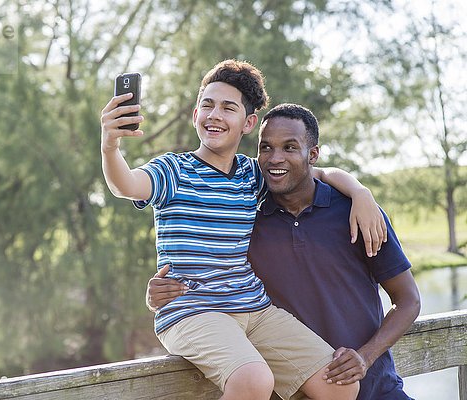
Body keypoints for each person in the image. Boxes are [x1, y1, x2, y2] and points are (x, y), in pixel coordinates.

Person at [101, 59, 374, 400]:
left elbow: (319, 173)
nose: (214, 115)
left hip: (254, 309)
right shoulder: (172, 170)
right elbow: (124, 184)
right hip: (193, 310)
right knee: (254, 380)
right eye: (207, 105)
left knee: (342, 384)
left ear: (248, 123)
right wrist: (110, 145)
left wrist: (361, 193)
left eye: (228, 108)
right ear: (195, 115)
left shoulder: (253, 174)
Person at [146, 103, 421, 400]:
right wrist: (161, 292)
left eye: (290, 148)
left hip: (378, 391)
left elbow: (408, 300)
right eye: (266, 148)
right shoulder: (248, 222)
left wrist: (365, 357)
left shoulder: (357, 213)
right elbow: (211, 279)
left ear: (312, 154)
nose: (276, 158)